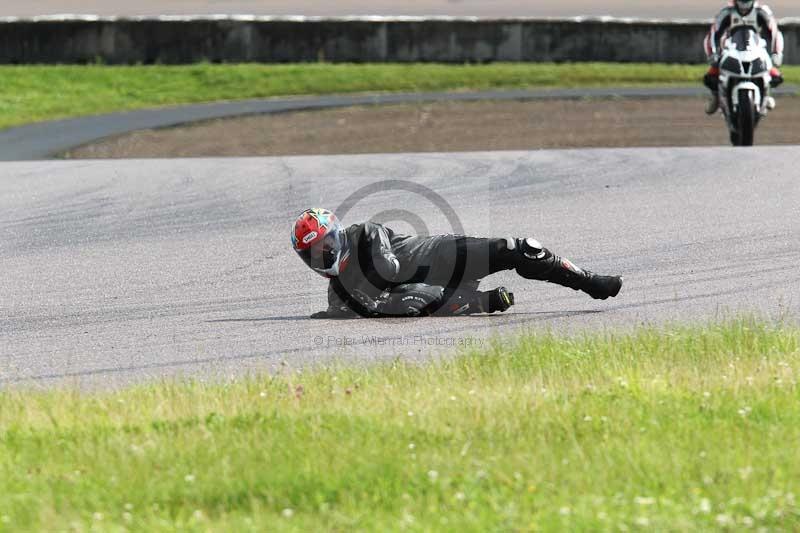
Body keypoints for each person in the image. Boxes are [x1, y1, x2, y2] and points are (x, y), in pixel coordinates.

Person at [291, 208, 623, 319]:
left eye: (328, 244)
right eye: (316, 253)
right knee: (399, 301)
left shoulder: (365, 233)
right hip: (435, 291)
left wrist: (363, 299)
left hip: (443, 256)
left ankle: (591, 281)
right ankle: (484, 302)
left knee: (521, 249)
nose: (325, 254)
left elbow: (389, 269)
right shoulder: (337, 294)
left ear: (338, 233)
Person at [703, 0, 784, 115]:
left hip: (757, 51)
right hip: (730, 50)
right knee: (711, 77)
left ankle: (766, 95)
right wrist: (712, 54)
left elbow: (775, 34)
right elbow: (712, 34)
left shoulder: (762, 13)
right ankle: (716, 97)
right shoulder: (726, 13)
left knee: (775, 76)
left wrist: (777, 53)